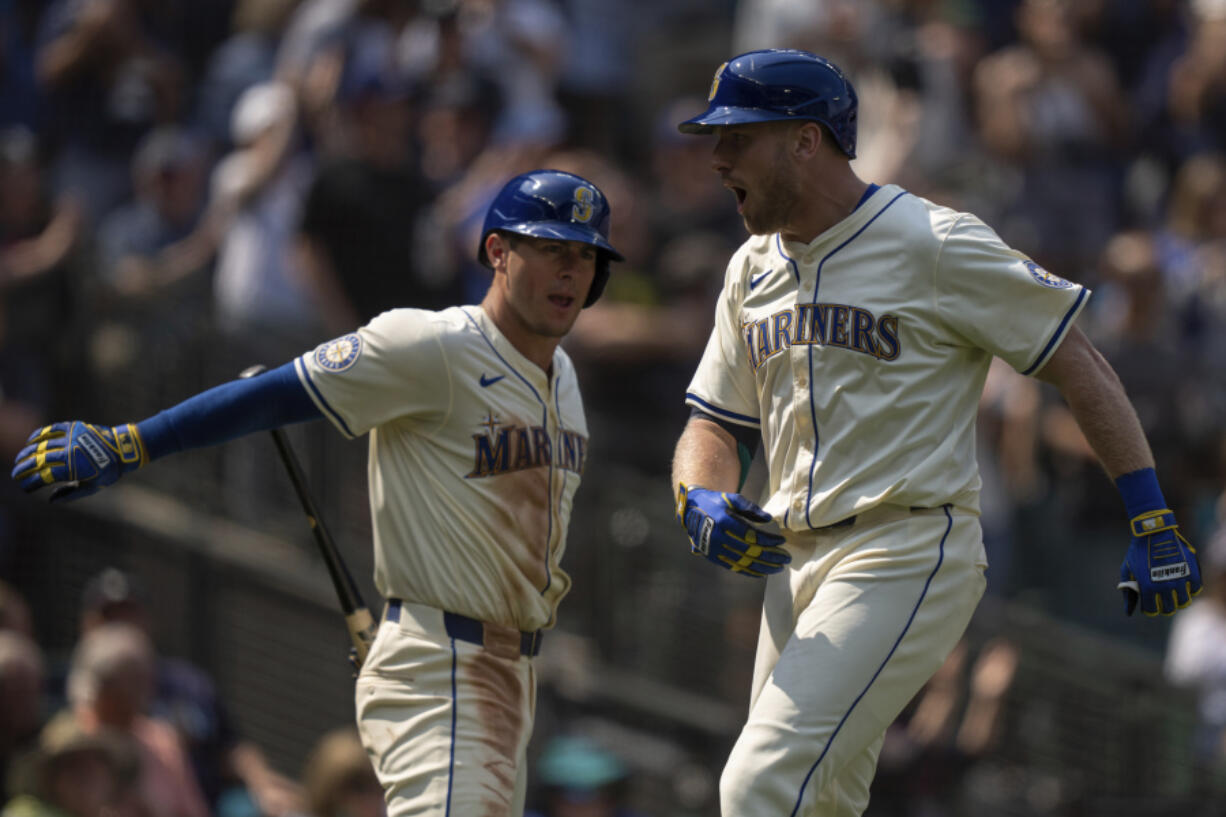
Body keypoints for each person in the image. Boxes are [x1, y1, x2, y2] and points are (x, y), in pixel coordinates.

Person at [668, 48, 1200, 817]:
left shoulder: (932, 239)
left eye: (736, 137)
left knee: (758, 784)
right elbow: (714, 420)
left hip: (903, 548)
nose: (716, 158)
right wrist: (700, 495)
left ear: (806, 140)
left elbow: (1079, 363)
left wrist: (1150, 514)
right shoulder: (750, 268)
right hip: (792, 561)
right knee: (820, 800)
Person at [11, 167, 623, 816]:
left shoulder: (564, 381)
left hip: (510, 673)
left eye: (585, 256)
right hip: (443, 664)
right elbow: (274, 393)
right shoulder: (434, 345)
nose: (571, 270)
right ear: (498, 252)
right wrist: (133, 441)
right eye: (552, 248)